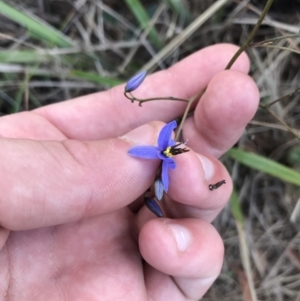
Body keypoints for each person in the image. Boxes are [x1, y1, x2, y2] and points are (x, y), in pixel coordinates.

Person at [0, 44, 259, 300]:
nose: (170, 153)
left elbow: (165, 154)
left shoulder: (164, 156)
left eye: (171, 152)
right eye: (169, 152)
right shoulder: (153, 151)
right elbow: (143, 152)